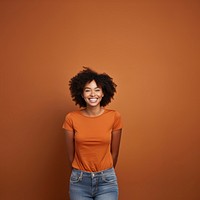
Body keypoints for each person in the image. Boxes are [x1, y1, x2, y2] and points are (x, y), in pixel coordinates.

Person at [62, 67, 123, 200]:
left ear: (103, 93)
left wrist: (106, 173)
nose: (92, 94)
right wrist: (79, 173)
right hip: (79, 181)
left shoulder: (114, 116)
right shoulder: (71, 118)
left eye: (97, 90)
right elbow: (70, 155)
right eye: (87, 90)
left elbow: (115, 153)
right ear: (82, 94)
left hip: (106, 181)